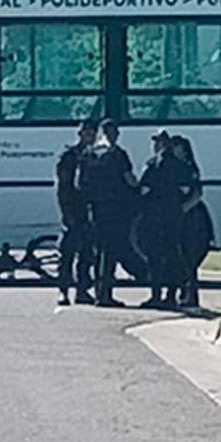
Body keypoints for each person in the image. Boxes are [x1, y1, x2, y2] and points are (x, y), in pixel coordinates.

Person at [77, 119, 139, 307]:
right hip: (115, 209)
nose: (114, 136)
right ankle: (105, 295)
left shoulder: (88, 153)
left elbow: (79, 183)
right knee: (110, 252)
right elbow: (130, 180)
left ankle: (96, 291)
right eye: (114, 133)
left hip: (93, 210)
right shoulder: (118, 154)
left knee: (97, 252)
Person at [136, 131, 189, 309]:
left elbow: (143, 189)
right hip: (174, 214)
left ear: (159, 145)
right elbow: (186, 189)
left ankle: (156, 295)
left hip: (154, 216)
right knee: (173, 252)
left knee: (155, 256)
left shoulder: (152, 164)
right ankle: (171, 295)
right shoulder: (181, 165)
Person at [54, 118, 99, 306]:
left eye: (92, 134)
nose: (89, 137)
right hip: (73, 209)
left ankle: (82, 290)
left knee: (87, 254)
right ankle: (63, 291)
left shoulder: (97, 156)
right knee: (67, 254)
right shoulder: (69, 156)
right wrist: (66, 213)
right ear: (79, 134)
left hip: (91, 211)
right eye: (86, 133)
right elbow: (63, 187)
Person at [169, 135, 213, 309]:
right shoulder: (174, 167)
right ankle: (181, 292)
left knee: (189, 258)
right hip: (177, 216)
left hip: (190, 219)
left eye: (176, 146)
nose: (173, 149)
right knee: (177, 256)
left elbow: (197, 192)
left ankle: (190, 295)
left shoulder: (189, 168)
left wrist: (183, 209)